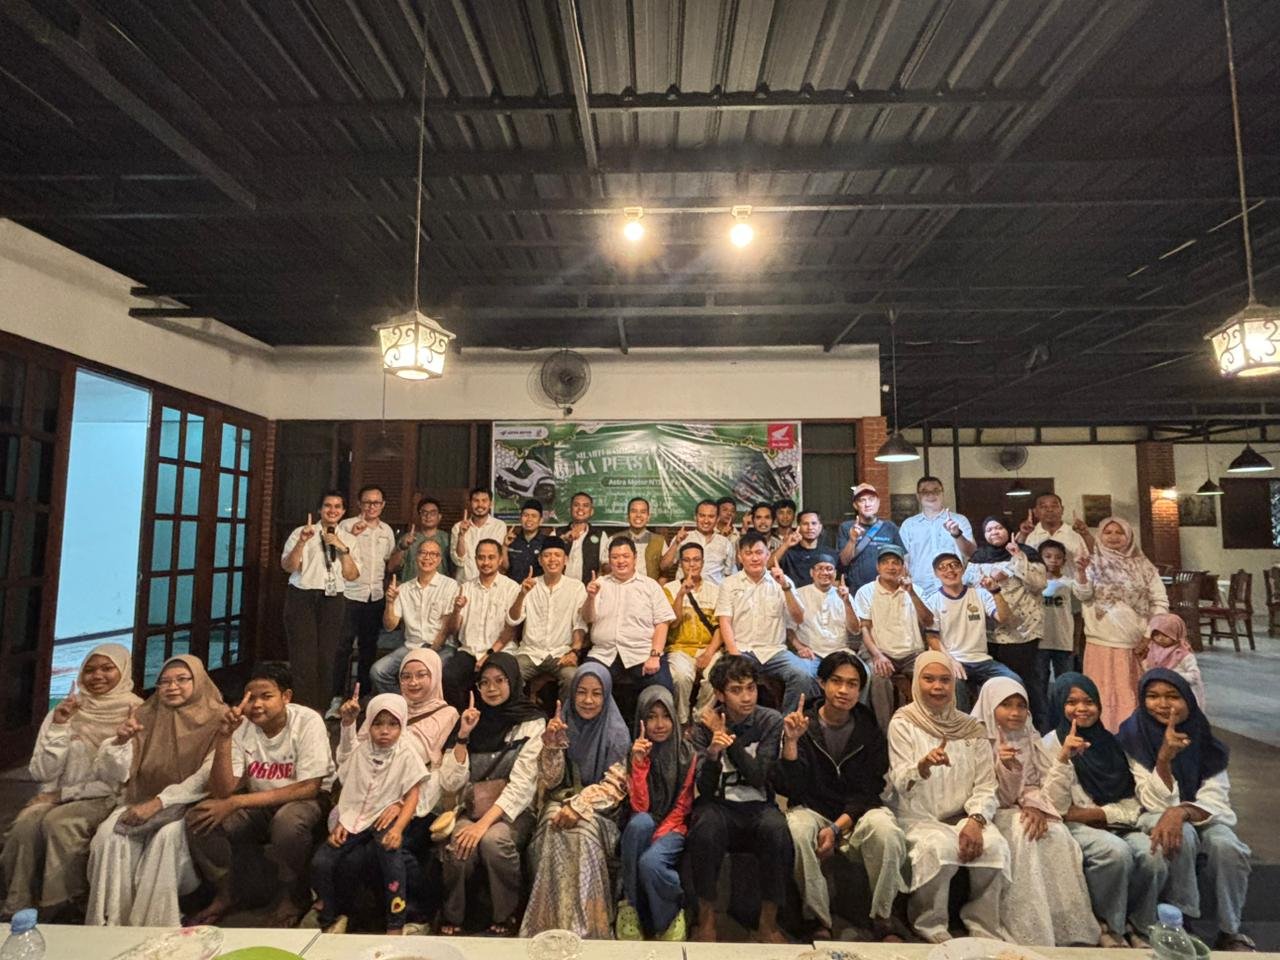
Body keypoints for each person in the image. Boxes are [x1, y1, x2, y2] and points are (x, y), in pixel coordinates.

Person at [185, 662, 333, 927]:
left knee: (287, 823)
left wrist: (237, 801)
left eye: (266, 696)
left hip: (304, 800)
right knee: (199, 818)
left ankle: (292, 895)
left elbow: (309, 787)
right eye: (251, 697)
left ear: (286, 697)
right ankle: (226, 892)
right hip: (258, 802)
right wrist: (224, 738)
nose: (257, 705)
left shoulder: (307, 721)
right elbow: (223, 789)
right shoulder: (242, 726)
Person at [1117, 669, 1254, 951]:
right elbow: (1149, 800)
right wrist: (1164, 760)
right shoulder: (1132, 735)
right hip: (1151, 814)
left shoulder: (1202, 736)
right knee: (1182, 835)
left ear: (1188, 700)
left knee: (1227, 846)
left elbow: (1217, 797)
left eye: (1172, 696)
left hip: (1200, 814)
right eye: (1153, 696)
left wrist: (1183, 812)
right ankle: (1181, 921)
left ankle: (1230, 930)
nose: (1162, 704)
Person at [1, 644, 141, 919]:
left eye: (107, 668)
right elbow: (42, 772)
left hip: (109, 797)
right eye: (89, 670)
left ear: (123, 671)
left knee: (60, 824)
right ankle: (17, 904)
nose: (97, 676)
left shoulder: (135, 711)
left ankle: (61, 904)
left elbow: (121, 778)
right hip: (58, 794)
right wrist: (60, 726)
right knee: (25, 825)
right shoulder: (67, 709)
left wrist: (63, 795)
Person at [85, 655, 224, 926]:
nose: (172, 687)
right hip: (140, 798)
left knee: (166, 838)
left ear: (198, 681)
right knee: (108, 837)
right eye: (165, 682)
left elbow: (206, 777)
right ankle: (111, 922)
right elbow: (115, 775)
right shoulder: (144, 715)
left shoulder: (219, 717)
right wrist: (120, 741)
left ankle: (155, 923)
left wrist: (161, 802)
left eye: (182, 680)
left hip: (188, 803)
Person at [778, 652, 907, 941]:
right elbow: (790, 789)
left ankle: (883, 917)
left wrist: (837, 828)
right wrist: (791, 744)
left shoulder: (868, 729)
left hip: (857, 812)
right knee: (797, 829)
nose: (844, 690)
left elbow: (870, 790)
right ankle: (818, 920)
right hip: (813, 808)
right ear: (822, 683)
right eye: (836, 681)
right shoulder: (804, 725)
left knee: (887, 831)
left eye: (852, 684)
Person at [885, 650, 1008, 943]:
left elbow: (985, 785)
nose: (937, 687)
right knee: (940, 847)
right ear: (916, 682)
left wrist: (976, 820)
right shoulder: (903, 722)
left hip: (963, 816)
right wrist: (922, 766)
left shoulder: (971, 728)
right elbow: (900, 781)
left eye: (945, 680)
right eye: (928, 679)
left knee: (995, 846)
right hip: (918, 816)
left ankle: (982, 923)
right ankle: (929, 923)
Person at [1041, 673, 1171, 949]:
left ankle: (1140, 926)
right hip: (1072, 828)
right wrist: (1064, 758)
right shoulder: (1049, 744)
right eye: (1071, 702)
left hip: (1119, 822)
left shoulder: (1112, 743)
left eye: (1089, 701)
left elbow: (1134, 802)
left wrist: (1100, 814)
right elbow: (1056, 808)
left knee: (1153, 854)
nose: (1081, 708)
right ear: (1059, 705)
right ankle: (1108, 925)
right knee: (1115, 853)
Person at [970, 677, 1099, 946]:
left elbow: (1040, 787)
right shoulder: (976, 739)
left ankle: (1063, 925)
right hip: (991, 811)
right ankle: (1027, 927)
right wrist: (1006, 768)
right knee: (1024, 834)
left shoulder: (1030, 736)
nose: (1015, 713)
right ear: (990, 705)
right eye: (1006, 705)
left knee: (1057, 834)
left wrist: (1036, 804)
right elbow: (993, 795)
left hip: (1027, 806)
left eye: (1021, 706)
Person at [437, 653, 546, 936]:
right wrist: (463, 736)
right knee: (459, 845)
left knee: (494, 842)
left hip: (513, 812)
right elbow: (450, 782)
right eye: (484, 682)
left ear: (514, 682)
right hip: (472, 807)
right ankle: (455, 916)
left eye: (499, 681)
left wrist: (482, 826)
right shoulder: (471, 720)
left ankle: (506, 915)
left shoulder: (531, 722)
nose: (492, 688)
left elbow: (523, 786)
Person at [686, 656, 792, 943]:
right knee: (704, 828)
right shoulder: (704, 725)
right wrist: (712, 753)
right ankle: (706, 920)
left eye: (750, 688)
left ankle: (768, 923)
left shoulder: (769, 720)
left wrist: (726, 737)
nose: (746, 697)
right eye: (736, 690)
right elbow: (704, 789)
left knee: (777, 830)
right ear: (720, 694)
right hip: (718, 804)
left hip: (758, 804)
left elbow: (758, 776)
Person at [521, 663, 630, 938]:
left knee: (581, 833)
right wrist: (552, 746)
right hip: (560, 803)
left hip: (602, 814)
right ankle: (546, 925)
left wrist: (580, 806)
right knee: (551, 824)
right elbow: (550, 781)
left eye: (596, 693)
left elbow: (616, 787)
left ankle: (587, 930)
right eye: (581, 692)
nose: (588, 700)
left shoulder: (617, 733)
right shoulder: (562, 723)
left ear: (606, 696)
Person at [311, 693, 425, 935]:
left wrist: (397, 829)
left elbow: (413, 796)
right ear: (369, 724)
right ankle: (329, 918)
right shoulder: (360, 751)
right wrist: (348, 723)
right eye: (378, 723)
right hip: (353, 819)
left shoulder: (406, 753)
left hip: (385, 818)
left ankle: (396, 923)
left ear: (402, 725)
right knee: (322, 862)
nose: (385, 731)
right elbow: (345, 761)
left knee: (392, 862)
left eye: (393, 724)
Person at [616, 687, 697, 941]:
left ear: (674, 717)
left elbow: (683, 806)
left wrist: (660, 834)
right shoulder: (635, 752)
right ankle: (631, 907)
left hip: (675, 827)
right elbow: (640, 807)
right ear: (641, 720)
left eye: (665, 716)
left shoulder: (687, 754)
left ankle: (670, 917)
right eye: (651, 717)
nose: (659, 724)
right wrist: (639, 763)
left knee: (650, 862)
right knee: (639, 824)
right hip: (647, 821)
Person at [1073, 517, 1168, 732]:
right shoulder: (1091, 562)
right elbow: (1083, 595)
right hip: (1101, 644)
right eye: (1108, 532)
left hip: (1136, 645)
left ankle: (1134, 741)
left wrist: (1149, 635)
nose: (1114, 537)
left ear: (1129, 536)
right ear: (1100, 536)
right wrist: (1080, 573)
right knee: (1101, 697)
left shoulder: (1144, 566)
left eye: (1119, 532)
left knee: (1131, 696)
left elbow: (1160, 601)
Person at [715, 531, 815, 713]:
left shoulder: (783, 582)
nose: (754, 558)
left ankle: (786, 721)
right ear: (740, 557)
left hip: (775, 652)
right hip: (743, 650)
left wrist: (785, 587)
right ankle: (744, 722)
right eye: (748, 553)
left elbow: (798, 618)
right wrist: (734, 653)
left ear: (768, 555)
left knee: (803, 674)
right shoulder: (729, 584)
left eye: (759, 552)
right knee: (732, 676)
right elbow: (725, 622)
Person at [964, 517, 1048, 727]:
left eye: (999, 528)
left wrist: (1017, 556)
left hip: (1023, 632)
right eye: (989, 529)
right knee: (996, 687)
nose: (994, 532)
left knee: (1026, 683)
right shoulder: (978, 557)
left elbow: (1039, 584)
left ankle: (1034, 729)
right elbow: (966, 587)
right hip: (989, 633)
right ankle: (997, 728)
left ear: (1008, 530)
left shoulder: (1026, 553)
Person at [280, 493, 359, 709]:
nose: (332, 510)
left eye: (337, 506)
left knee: (328, 657)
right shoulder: (302, 532)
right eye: (327, 506)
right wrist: (302, 542)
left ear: (343, 511)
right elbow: (288, 566)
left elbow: (352, 575)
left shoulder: (349, 539)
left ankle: (320, 710)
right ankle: (303, 709)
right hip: (302, 596)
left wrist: (342, 548)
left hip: (332, 599)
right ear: (319, 509)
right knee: (303, 658)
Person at [580, 538, 677, 700]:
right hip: (604, 654)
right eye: (615, 557)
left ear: (635, 558)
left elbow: (662, 623)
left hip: (642, 653)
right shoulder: (599, 584)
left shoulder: (650, 586)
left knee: (662, 693)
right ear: (609, 560)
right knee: (584, 686)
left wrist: (655, 655)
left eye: (625, 556)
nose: (620, 561)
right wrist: (590, 597)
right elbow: (588, 618)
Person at [332, 484, 398, 718]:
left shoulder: (386, 531)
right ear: (359, 504)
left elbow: (389, 562)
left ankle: (362, 696)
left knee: (368, 648)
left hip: (375, 596)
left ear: (383, 505)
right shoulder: (346, 526)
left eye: (376, 502)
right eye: (367, 502)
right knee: (342, 647)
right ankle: (336, 697)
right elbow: (335, 556)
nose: (372, 506)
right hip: (350, 594)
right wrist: (352, 536)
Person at [852, 544, 933, 730]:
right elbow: (864, 629)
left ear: (903, 567)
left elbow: (928, 622)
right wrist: (878, 655)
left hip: (912, 654)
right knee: (878, 676)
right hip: (879, 651)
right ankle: (886, 731)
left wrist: (911, 593)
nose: (891, 567)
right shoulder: (866, 591)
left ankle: (927, 728)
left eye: (896, 562)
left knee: (932, 673)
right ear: (878, 567)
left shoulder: (915, 590)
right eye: (886, 562)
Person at [924, 552, 1017, 709]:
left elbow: (1004, 618)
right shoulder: (933, 601)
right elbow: (932, 638)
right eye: (943, 567)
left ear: (962, 569)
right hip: (953, 660)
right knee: (955, 687)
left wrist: (995, 591)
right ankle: (964, 725)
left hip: (983, 660)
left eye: (954, 565)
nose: (950, 570)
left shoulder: (980, 594)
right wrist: (951, 661)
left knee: (1013, 681)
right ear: (936, 574)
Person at [441, 539, 520, 711]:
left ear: (500, 559)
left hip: (499, 651)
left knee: (495, 678)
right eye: (481, 557)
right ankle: (462, 719)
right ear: (475, 559)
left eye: (491, 557)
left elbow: (510, 631)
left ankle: (495, 723)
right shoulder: (465, 588)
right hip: (469, 651)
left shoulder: (512, 588)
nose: (486, 562)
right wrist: (456, 610)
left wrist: (488, 654)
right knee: (448, 676)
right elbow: (453, 630)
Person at [373, 539, 460, 693]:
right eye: (423, 553)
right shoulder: (404, 589)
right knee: (378, 671)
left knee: (427, 673)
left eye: (433, 554)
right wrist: (390, 603)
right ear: (416, 556)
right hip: (411, 646)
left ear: (439, 560)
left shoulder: (450, 585)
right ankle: (404, 702)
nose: (427, 558)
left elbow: (447, 628)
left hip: (441, 647)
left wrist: (428, 653)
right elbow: (390, 625)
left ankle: (424, 704)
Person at [506, 537, 586, 701]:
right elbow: (513, 620)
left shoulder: (576, 587)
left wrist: (574, 652)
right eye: (547, 555)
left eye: (557, 555)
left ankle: (563, 715)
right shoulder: (530, 584)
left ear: (565, 560)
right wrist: (522, 595)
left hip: (560, 653)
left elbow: (579, 625)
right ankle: (520, 715)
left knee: (572, 677)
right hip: (530, 652)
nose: (552, 559)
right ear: (540, 560)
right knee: (510, 674)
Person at [663, 542, 721, 723]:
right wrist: (681, 595)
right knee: (680, 677)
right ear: (680, 563)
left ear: (702, 562)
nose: (692, 564)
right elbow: (673, 623)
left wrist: (709, 653)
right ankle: (681, 721)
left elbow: (720, 627)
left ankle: (699, 720)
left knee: (717, 675)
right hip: (679, 648)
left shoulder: (715, 590)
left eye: (696, 560)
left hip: (709, 648)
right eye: (687, 560)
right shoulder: (669, 589)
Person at [899, 477, 975, 597]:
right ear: (918, 496)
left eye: (936, 490)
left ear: (942, 493)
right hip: (919, 589)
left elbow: (971, 553)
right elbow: (903, 560)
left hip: (954, 587)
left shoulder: (959, 520)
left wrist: (957, 534)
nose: (931, 495)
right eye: (925, 492)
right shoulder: (908, 525)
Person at [792, 554, 859, 675]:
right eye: (820, 568)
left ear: (835, 573)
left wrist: (847, 603)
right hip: (811, 653)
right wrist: (800, 647)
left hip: (840, 652)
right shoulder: (798, 594)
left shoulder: (845, 596)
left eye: (829, 569)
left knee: (862, 673)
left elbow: (855, 630)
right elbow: (789, 628)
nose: (825, 572)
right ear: (812, 572)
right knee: (802, 674)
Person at [837, 483, 904, 593]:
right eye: (862, 500)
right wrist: (852, 540)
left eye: (871, 499)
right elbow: (844, 561)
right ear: (855, 505)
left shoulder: (890, 527)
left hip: (887, 589)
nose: (867, 504)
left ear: (878, 503)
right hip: (856, 590)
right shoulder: (846, 527)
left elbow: (903, 559)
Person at [1137, 613, 1206, 712]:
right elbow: (1147, 668)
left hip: (1179, 694)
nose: (1160, 638)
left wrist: (1173, 676)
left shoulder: (1182, 654)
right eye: (1156, 635)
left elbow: (1195, 676)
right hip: (1159, 692)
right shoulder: (1151, 650)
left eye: (1166, 635)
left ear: (1176, 634)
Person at [1037, 540, 1077, 708]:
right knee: (1039, 683)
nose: (1053, 560)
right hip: (1039, 641)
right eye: (1048, 556)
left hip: (1063, 640)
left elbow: (1077, 613)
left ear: (1064, 561)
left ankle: (1063, 714)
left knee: (1065, 682)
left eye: (1058, 557)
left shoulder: (1070, 584)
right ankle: (1042, 717)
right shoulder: (1035, 583)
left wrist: (1075, 642)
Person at [660, 500, 735, 584]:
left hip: (715, 591)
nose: (706, 521)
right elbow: (664, 567)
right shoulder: (683, 538)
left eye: (711, 516)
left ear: (717, 519)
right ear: (695, 517)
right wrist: (676, 543)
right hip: (685, 590)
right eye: (702, 516)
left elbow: (729, 574)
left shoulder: (725, 543)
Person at [1018, 493, 1095, 567]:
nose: (1050, 510)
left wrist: (1086, 535)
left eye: (1054, 506)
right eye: (1044, 507)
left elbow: (1095, 556)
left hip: (1071, 576)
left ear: (1062, 510)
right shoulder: (1026, 534)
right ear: (1035, 512)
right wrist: (1023, 535)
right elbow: (1016, 558)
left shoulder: (1076, 533)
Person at [451, 488, 507, 583]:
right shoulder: (458, 527)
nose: (480, 505)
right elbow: (458, 560)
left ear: (491, 503)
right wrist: (461, 535)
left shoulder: (499, 526)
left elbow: (498, 559)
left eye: (484, 501)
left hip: (491, 583)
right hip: (465, 583)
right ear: (470, 503)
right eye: (476, 501)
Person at [604, 497, 666, 579]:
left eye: (643, 512)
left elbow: (665, 570)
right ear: (628, 516)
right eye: (634, 511)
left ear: (648, 517)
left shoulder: (659, 541)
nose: (638, 515)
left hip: (648, 586)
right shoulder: (614, 539)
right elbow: (605, 567)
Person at [398, 497, 454, 581]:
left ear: (439, 517)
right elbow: (391, 567)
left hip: (440, 587)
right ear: (419, 516)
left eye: (433, 513)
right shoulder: (408, 537)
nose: (428, 516)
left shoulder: (448, 539)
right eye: (424, 513)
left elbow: (455, 568)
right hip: (411, 586)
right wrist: (402, 547)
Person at [559, 491, 607, 584]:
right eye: (576, 505)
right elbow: (547, 556)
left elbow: (606, 563)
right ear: (569, 509)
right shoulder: (557, 533)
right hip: (561, 588)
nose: (580, 508)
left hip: (588, 588)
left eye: (585, 505)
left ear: (591, 511)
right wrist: (564, 539)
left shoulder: (600, 535)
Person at [771, 509, 827, 587]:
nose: (810, 527)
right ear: (798, 527)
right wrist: (786, 545)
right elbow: (767, 566)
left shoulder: (830, 554)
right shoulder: (788, 553)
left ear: (820, 527)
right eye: (805, 524)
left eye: (814, 523)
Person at [500, 499, 545, 583]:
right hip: (513, 587)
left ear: (541, 520)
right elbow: (504, 568)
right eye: (526, 515)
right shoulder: (511, 539)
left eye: (534, 516)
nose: (529, 519)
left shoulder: (546, 542)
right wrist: (505, 546)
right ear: (520, 518)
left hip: (537, 588)